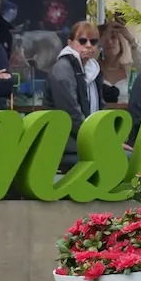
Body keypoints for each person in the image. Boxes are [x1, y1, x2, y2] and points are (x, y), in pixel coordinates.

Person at [47, 21, 118, 171]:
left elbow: (100, 107)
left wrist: (109, 137)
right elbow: (71, 113)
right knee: (121, 159)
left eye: (93, 41)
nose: (88, 45)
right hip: (67, 145)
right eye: (82, 41)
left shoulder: (93, 69)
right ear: (70, 43)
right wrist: (98, 140)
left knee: (126, 155)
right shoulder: (63, 68)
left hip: (85, 141)